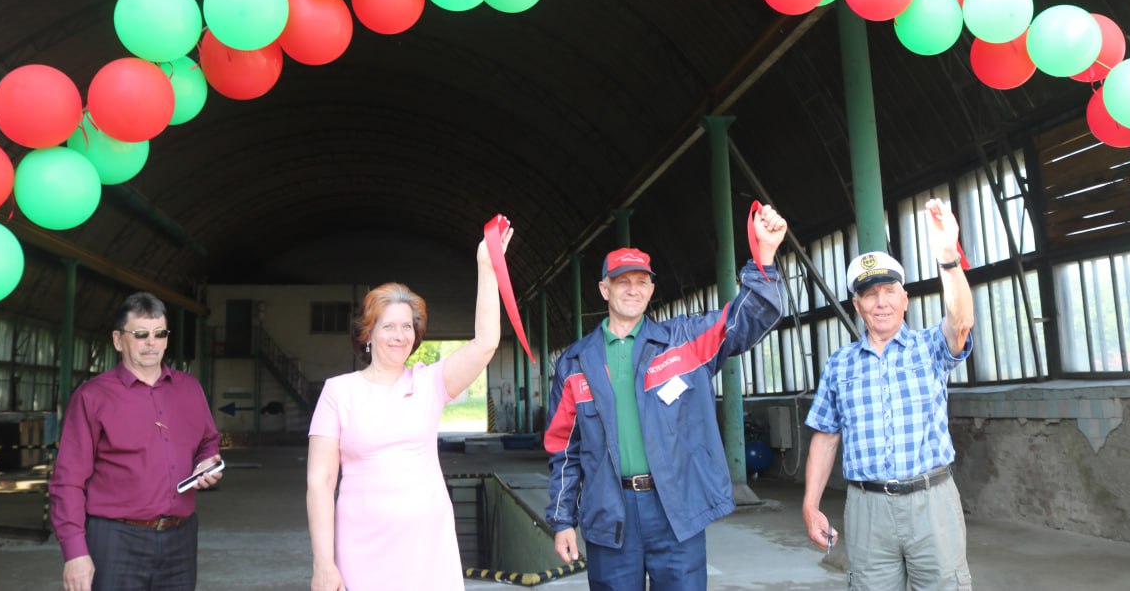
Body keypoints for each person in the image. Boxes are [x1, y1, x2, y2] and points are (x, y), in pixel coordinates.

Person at [544, 204, 788, 590]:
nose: (632, 289)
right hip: (610, 512)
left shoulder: (685, 341)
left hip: (675, 508)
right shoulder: (575, 363)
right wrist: (562, 521)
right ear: (604, 289)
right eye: (622, 281)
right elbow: (564, 451)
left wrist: (766, 255)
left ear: (652, 290)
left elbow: (746, 319)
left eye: (641, 281)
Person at [306, 227, 512, 591]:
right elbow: (320, 483)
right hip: (361, 548)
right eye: (388, 326)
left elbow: (485, 344)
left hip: (426, 546)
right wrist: (323, 563)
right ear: (368, 334)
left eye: (407, 327)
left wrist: (487, 267)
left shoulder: (431, 383)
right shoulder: (338, 392)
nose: (399, 335)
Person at [801, 198, 975, 590]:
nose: (881, 302)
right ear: (856, 304)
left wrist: (948, 256)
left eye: (889, 291)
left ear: (904, 298)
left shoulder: (929, 347)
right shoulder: (839, 364)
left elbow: (961, 321)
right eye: (870, 294)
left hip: (932, 503)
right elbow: (825, 438)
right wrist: (811, 505)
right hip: (867, 509)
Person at [50, 292, 224, 591]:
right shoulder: (92, 397)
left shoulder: (189, 389)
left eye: (160, 334)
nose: (151, 343)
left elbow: (209, 442)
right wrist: (75, 552)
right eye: (141, 334)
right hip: (116, 538)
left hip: (180, 538)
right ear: (118, 340)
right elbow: (68, 480)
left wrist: (207, 463)